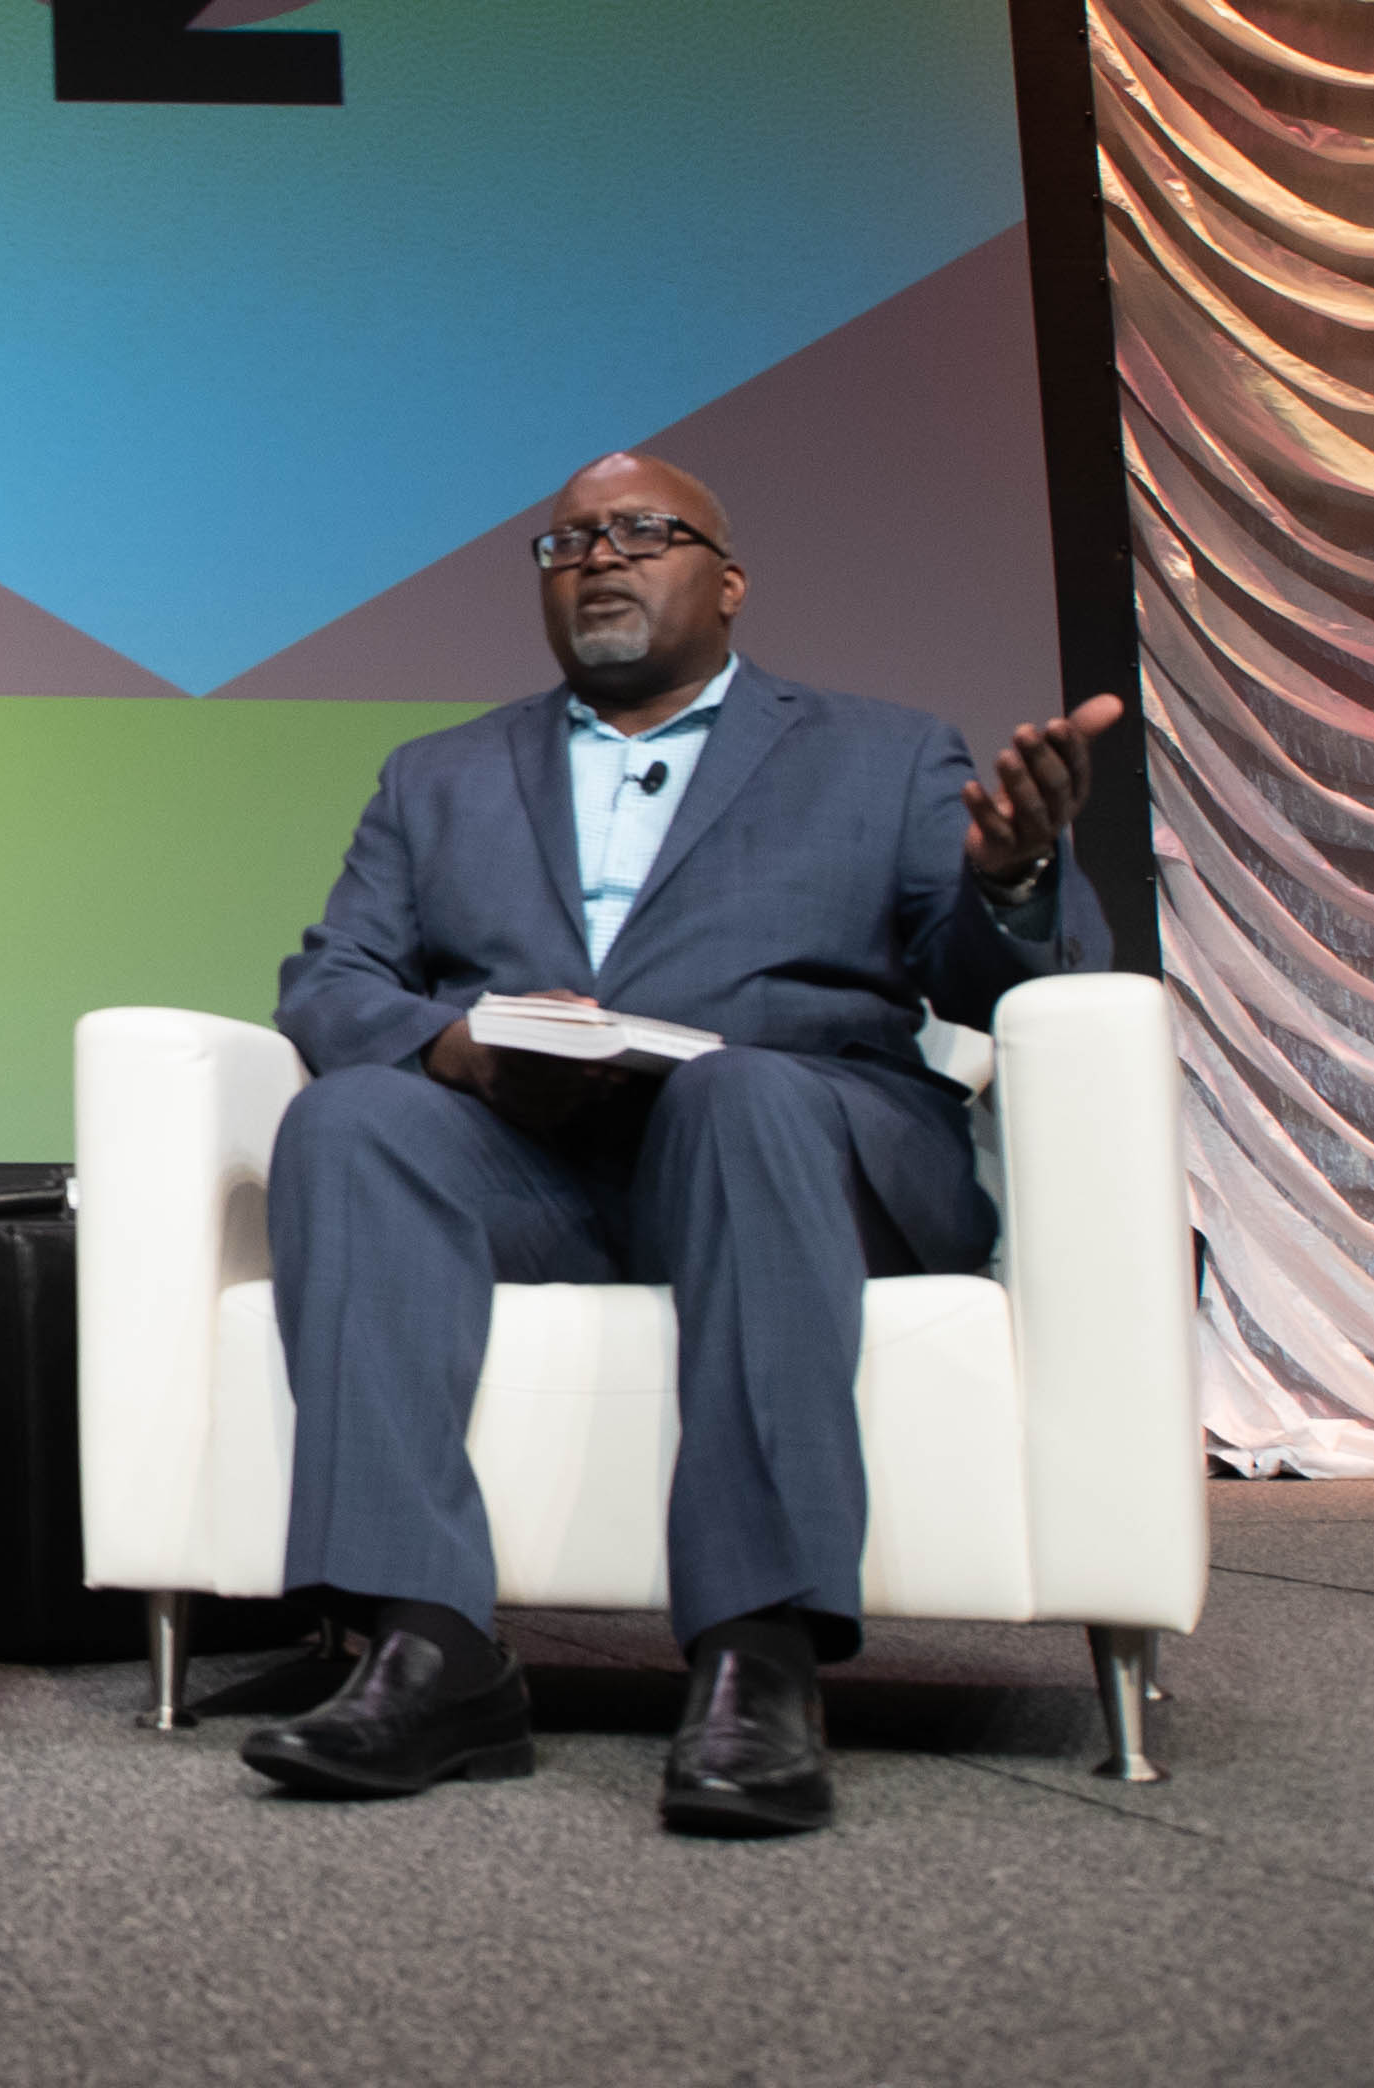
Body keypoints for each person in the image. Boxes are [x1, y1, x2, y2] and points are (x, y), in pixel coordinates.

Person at [240, 454, 1122, 1838]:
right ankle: (429, 1649)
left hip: (804, 1153)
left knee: (739, 1097)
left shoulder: (884, 753)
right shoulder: (439, 776)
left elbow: (994, 985)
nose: (601, 556)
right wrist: (458, 1043)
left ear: (727, 581)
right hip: (549, 1171)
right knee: (353, 1113)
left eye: (644, 532)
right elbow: (330, 979)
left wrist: (1008, 876)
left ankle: (758, 1659)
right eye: (569, 540)